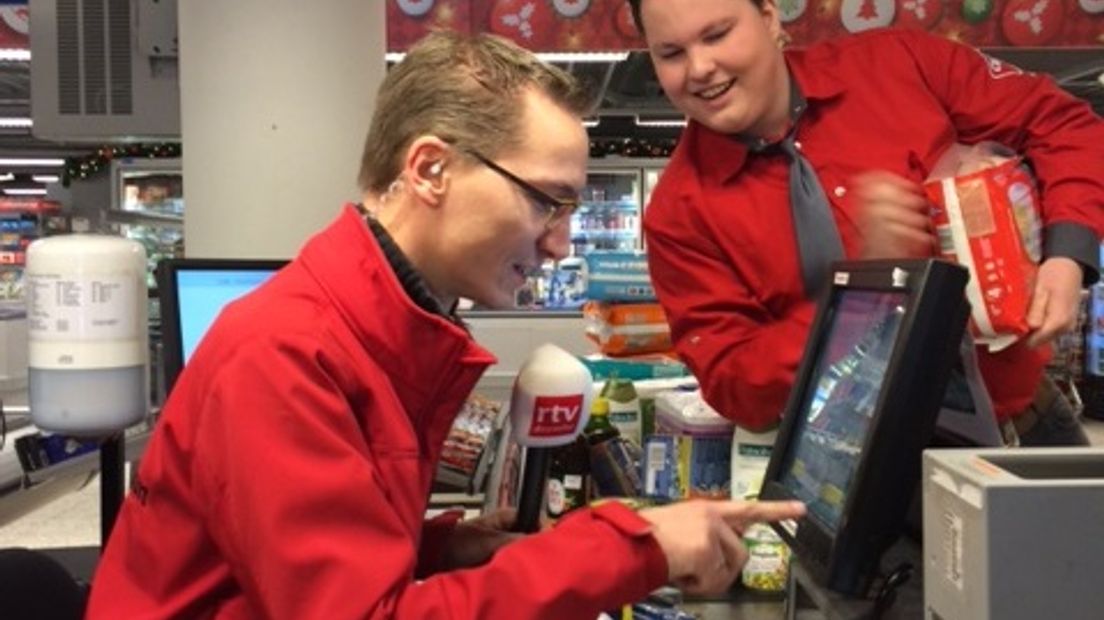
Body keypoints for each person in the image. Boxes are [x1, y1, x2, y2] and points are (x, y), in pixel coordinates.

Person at [85, 32, 805, 619]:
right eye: (546, 202)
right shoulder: (285, 355)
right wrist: (631, 550)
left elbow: (298, 566)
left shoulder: (374, 330)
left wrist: (445, 550)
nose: (559, 242)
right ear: (430, 169)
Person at [628, 0, 1104, 445]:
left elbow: (1065, 126)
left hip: (1025, 425)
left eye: (717, 35)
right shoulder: (678, 215)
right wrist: (866, 292)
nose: (700, 68)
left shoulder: (900, 63)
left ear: (770, 17)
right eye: (671, 53)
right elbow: (738, 389)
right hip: (856, 473)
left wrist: (1067, 255)